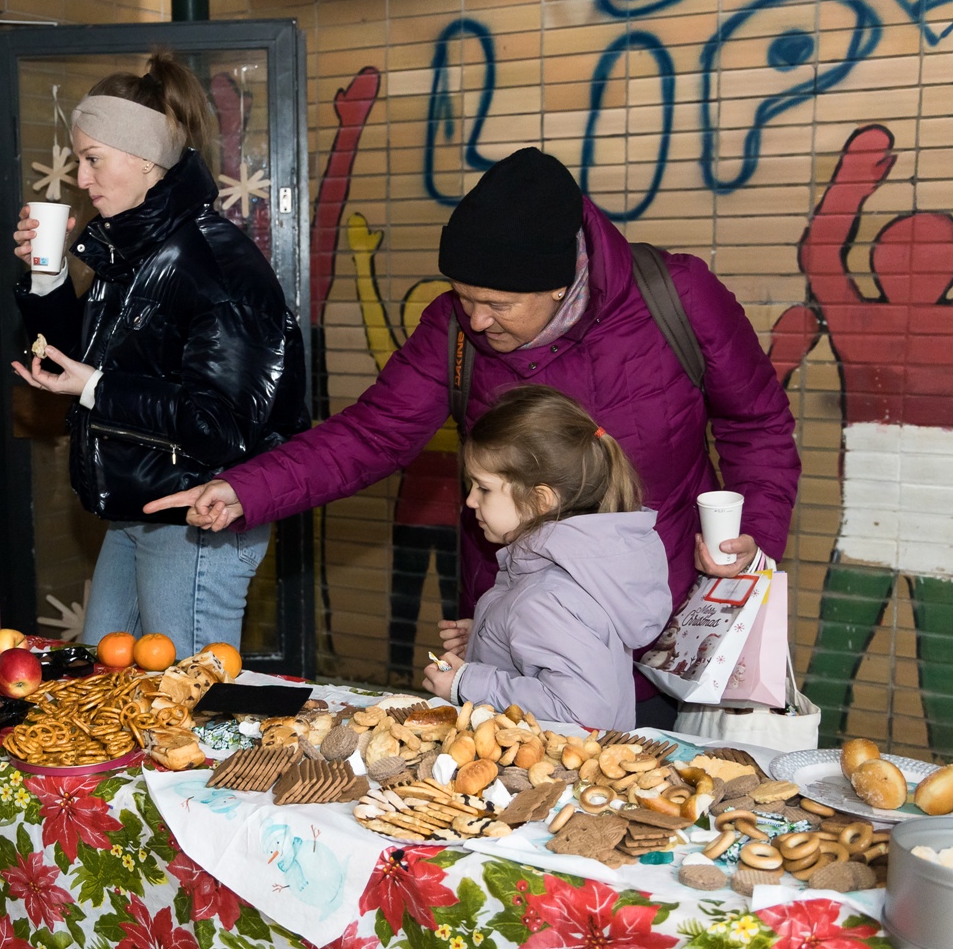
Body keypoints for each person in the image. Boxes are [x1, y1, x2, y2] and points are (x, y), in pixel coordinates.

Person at [148, 146, 801, 726]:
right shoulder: (453, 330)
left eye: (497, 304)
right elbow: (374, 433)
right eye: (463, 296)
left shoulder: (676, 297)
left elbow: (760, 427)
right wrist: (245, 489)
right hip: (513, 634)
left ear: (560, 283)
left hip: (664, 623)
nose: (477, 320)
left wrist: (751, 544)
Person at [11, 51, 308, 658]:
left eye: (93, 159)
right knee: (104, 683)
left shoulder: (214, 265)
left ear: (146, 158)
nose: (81, 179)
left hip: (198, 512)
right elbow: (81, 359)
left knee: (184, 700)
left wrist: (94, 388)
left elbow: (220, 425)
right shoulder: (134, 251)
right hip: (140, 507)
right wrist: (46, 277)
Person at [420, 385, 671, 729]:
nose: (470, 501)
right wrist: (490, 638)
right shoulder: (566, 570)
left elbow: (581, 713)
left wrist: (466, 683)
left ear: (540, 501)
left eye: (484, 488)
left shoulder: (546, 596)